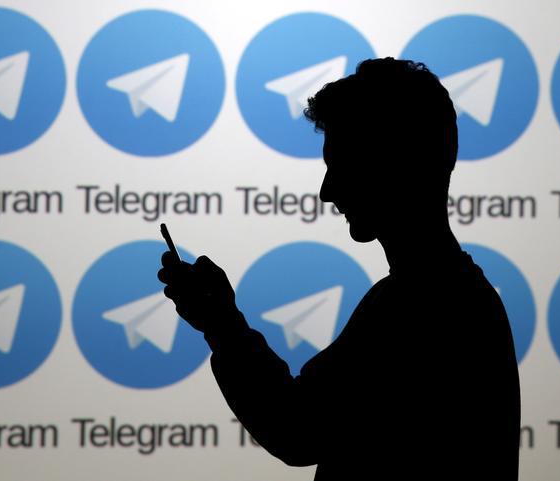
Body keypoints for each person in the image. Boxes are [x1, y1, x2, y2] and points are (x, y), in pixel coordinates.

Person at [158, 57, 520, 480]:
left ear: (395, 165)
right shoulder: (455, 296)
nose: (327, 191)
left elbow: (296, 428)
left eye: (343, 166)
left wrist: (223, 326)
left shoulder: (420, 305)